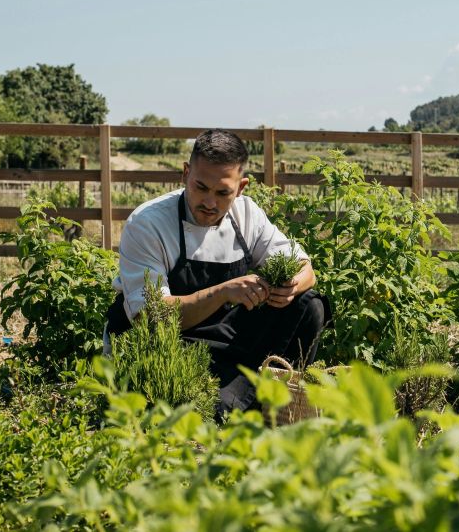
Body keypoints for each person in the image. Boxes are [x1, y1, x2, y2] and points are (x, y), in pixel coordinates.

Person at [104, 128, 330, 419]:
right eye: (200, 188)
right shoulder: (149, 224)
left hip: (225, 342)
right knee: (207, 411)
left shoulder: (246, 214)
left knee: (309, 305)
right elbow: (150, 317)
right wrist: (223, 291)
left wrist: (291, 286)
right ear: (186, 174)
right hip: (163, 350)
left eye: (223, 193)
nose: (209, 203)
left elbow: (304, 266)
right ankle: (236, 404)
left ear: (241, 187)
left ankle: (279, 406)